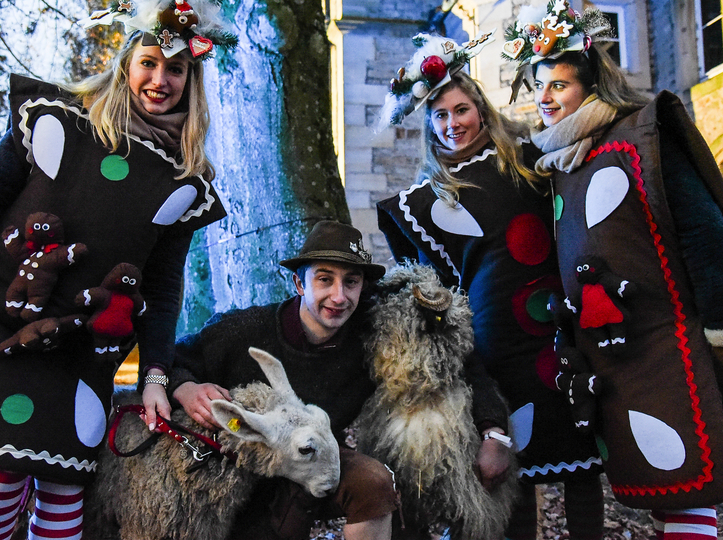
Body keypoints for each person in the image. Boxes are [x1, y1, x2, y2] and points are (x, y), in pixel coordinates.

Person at [0, 0, 231, 540]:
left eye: (176, 70)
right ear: (127, 62)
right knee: (1, 478)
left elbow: (162, 288)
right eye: (149, 63)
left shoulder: (184, 182)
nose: (161, 80)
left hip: (86, 346)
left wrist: (155, 375)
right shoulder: (55, 122)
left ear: (192, 81)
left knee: (66, 488)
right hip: (0, 322)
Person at [506, 0, 723, 539]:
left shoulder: (642, 138)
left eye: (560, 85)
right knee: (665, 494)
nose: (545, 99)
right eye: (538, 86)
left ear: (591, 85)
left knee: (689, 492)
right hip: (619, 358)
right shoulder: (563, 162)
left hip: (673, 348)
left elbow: (706, 236)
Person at [375, 34, 605, 540]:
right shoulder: (421, 206)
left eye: (462, 110)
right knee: (509, 478)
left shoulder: (530, 161)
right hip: (493, 349)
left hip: (559, 334)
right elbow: (432, 298)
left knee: (581, 468)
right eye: (440, 116)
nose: (452, 123)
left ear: (480, 108)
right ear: (427, 124)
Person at [168, 219, 514, 540]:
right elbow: (172, 359)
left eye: (351, 281)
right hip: (241, 479)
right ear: (299, 282)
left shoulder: (376, 333)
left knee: (374, 483)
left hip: (317, 462)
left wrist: (494, 432)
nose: (338, 296)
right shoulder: (244, 331)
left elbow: (458, 361)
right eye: (324, 279)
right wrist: (185, 386)